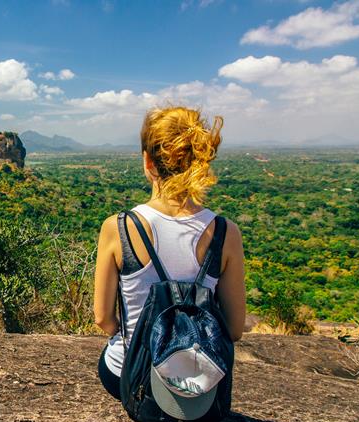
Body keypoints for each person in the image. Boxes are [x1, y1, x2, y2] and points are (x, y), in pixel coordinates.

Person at [93, 105, 246, 401]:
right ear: (198, 161)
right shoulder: (226, 233)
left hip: (129, 374)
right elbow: (234, 329)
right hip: (198, 387)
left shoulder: (120, 227)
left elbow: (103, 319)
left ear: (148, 161)